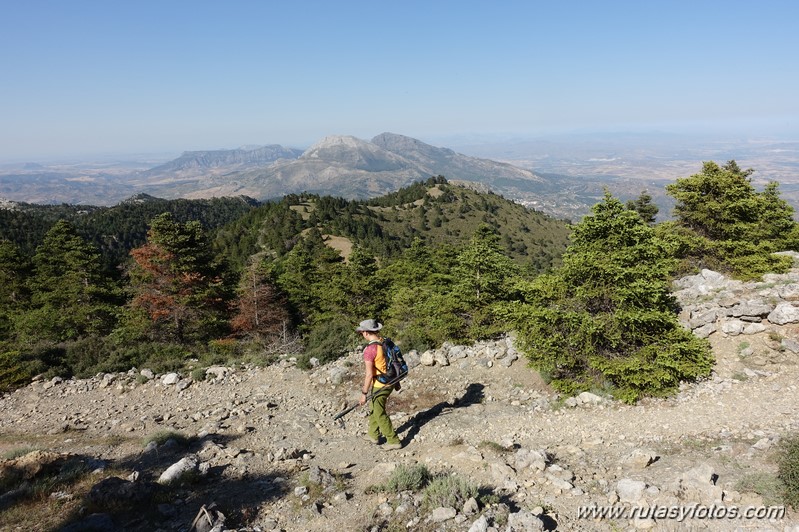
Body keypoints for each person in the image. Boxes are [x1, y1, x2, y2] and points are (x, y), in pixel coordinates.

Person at [356, 319, 402, 450]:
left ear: (365, 332)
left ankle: (393, 440)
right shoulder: (386, 342)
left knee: (379, 412)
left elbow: (369, 375)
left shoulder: (370, 349)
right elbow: (391, 363)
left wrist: (364, 394)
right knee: (374, 407)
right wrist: (396, 382)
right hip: (390, 381)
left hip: (380, 384)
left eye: (361, 332)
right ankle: (373, 434)